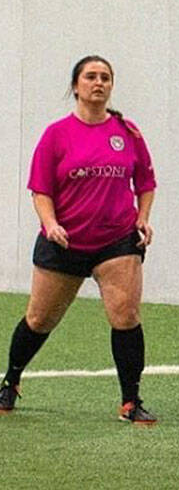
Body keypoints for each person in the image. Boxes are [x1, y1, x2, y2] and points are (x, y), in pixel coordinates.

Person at [0, 56, 158, 424]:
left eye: (105, 77)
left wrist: (143, 218)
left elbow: (146, 183)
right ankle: (12, 379)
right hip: (65, 243)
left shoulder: (128, 133)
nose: (98, 83)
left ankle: (131, 401)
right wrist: (50, 223)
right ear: (76, 86)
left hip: (116, 240)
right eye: (90, 77)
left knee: (127, 316)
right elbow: (40, 190)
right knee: (39, 319)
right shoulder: (56, 135)